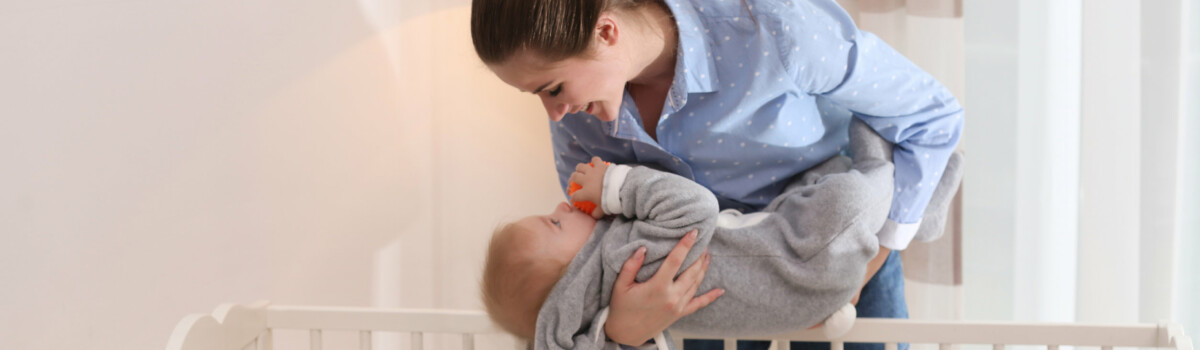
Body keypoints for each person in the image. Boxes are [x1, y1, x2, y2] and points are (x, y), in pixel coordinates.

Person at [470, 0, 964, 348]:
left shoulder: (775, 27)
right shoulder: (579, 118)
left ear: (606, 32)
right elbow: (588, 260)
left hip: (837, 244)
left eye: (552, 87)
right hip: (702, 291)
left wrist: (866, 263)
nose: (554, 113)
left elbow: (933, 116)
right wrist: (623, 328)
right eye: (537, 95)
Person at [483, 121, 909, 349]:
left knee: (825, 187)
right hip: (804, 255)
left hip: (789, 272)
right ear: (570, 278)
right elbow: (696, 208)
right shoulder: (621, 255)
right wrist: (615, 186)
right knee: (854, 193)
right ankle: (886, 160)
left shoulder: (609, 305)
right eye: (554, 223)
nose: (560, 206)